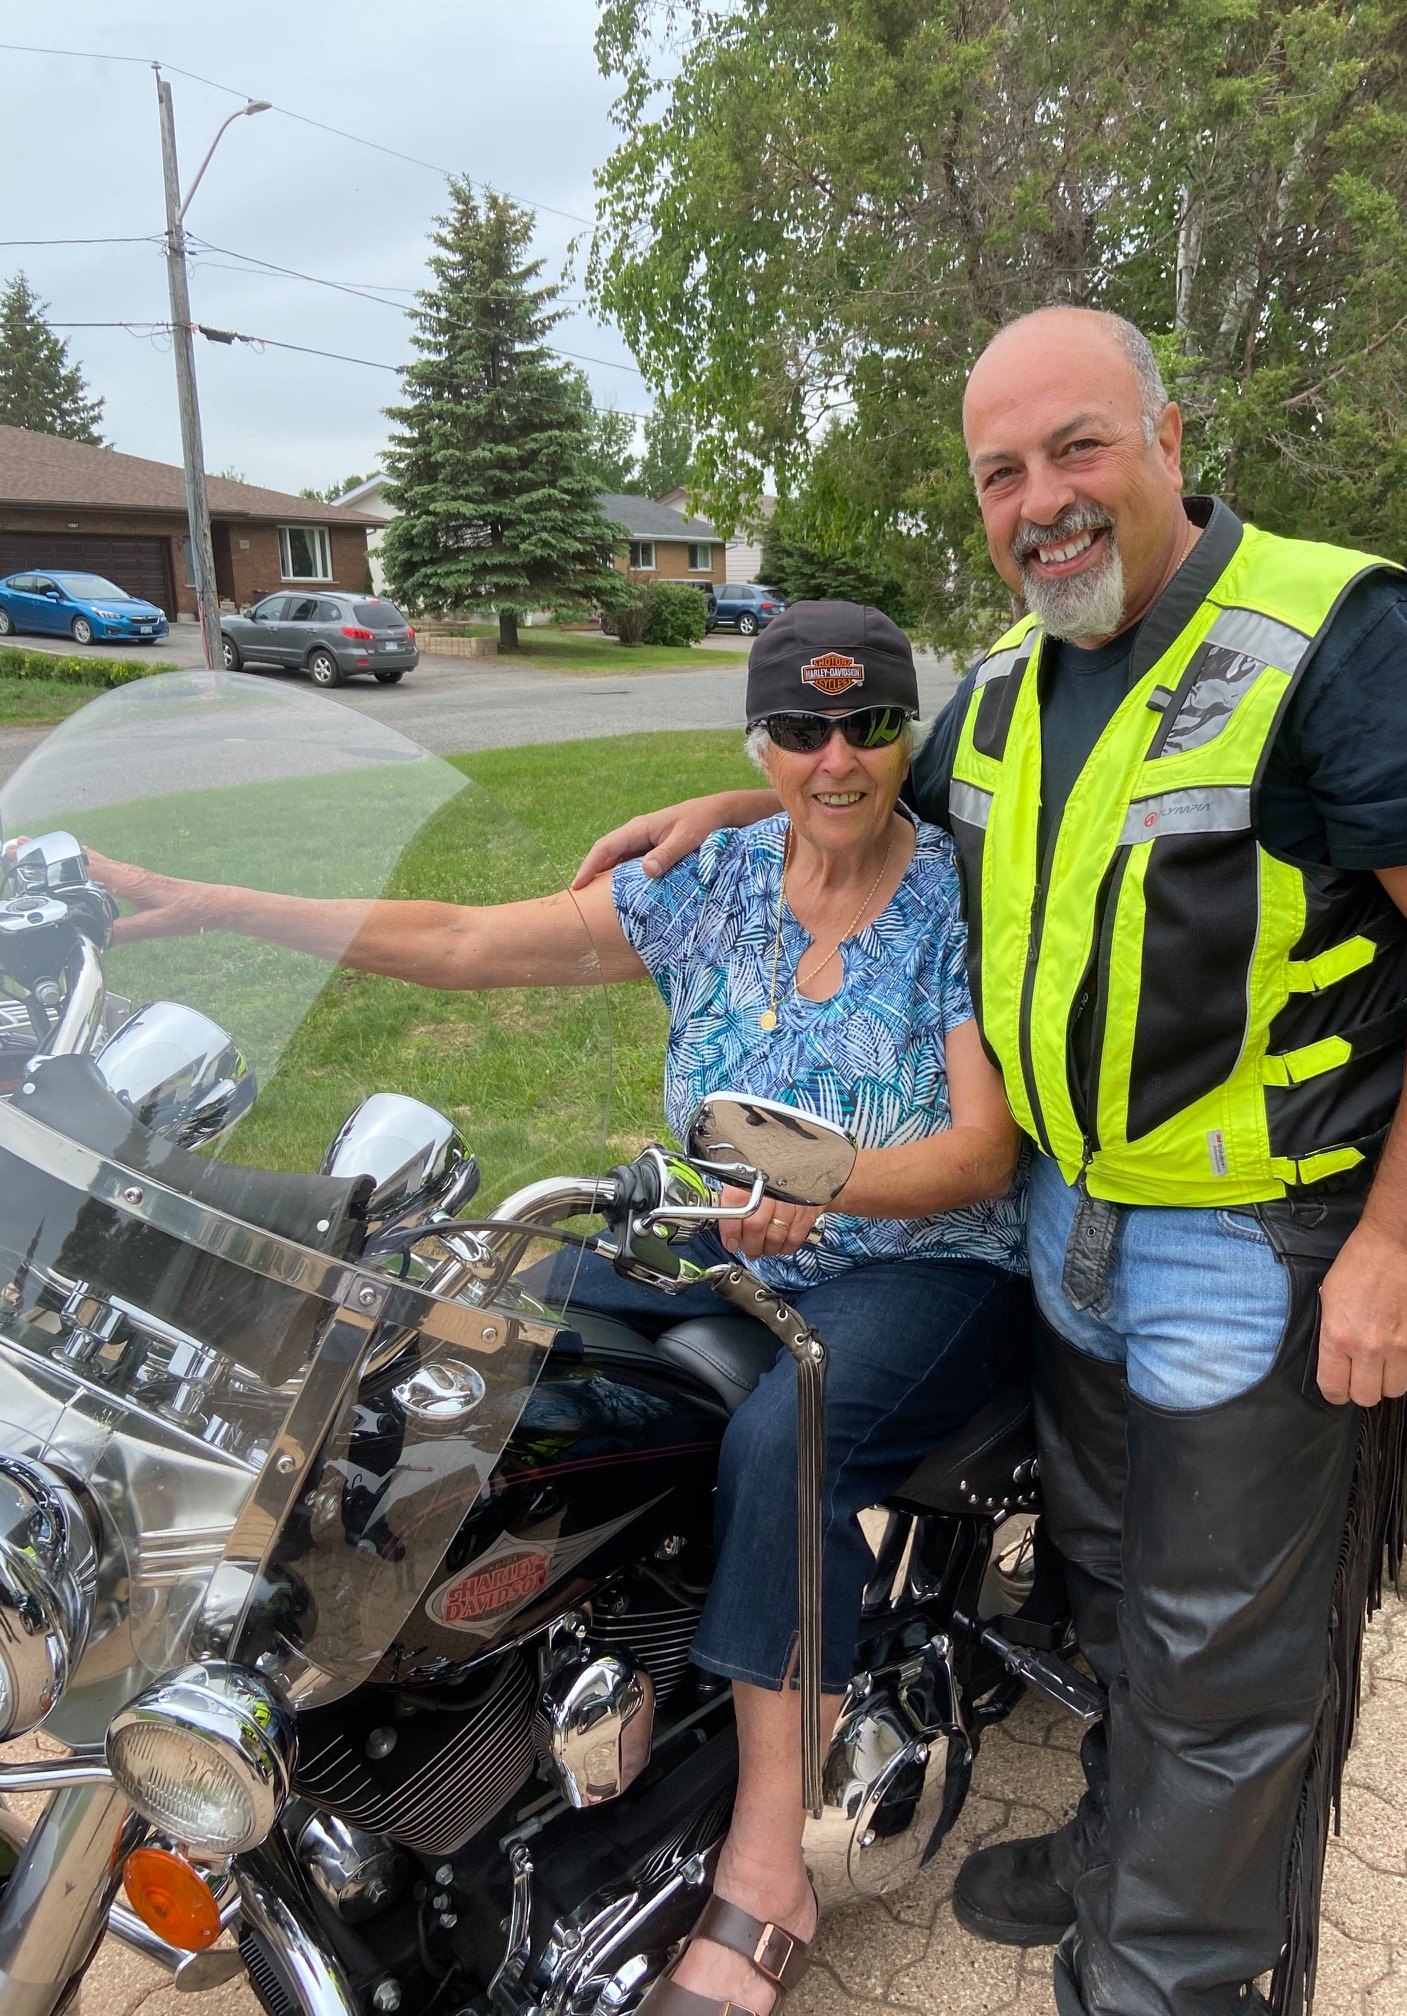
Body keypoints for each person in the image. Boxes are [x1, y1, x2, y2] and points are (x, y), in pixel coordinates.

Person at [571, 309, 1407, 2016]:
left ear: (1170, 435)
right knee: (1118, 1587)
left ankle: (1170, 1975)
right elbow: (864, 805)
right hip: (1065, 1217)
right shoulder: (1009, 688)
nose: (1043, 501)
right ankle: (1118, 1852)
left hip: (1257, 1229)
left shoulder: (1333, 633)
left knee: (1227, 1655)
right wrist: (725, 814)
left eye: (1077, 448)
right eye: (1003, 472)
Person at [88, 598, 1028, 2016]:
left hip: (931, 1264)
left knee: (788, 1442)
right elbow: (470, 939)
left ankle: (766, 1865)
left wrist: (832, 1183)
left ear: (904, 731)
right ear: (758, 737)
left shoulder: (955, 891)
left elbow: (981, 1150)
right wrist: (224, 908)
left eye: (871, 725)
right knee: (464, 1350)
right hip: (722, 1243)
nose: (837, 760)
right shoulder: (710, 881)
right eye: (798, 729)